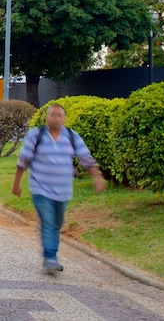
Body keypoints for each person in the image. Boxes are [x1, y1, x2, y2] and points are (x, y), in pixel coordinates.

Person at [12, 104, 106, 274]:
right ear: (47, 117)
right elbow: (23, 160)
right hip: (41, 188)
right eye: (53, 115)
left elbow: (85, 158)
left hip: (63, 191)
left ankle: (51, 255)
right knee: (47, 222)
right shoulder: (37, 135)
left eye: (59, 115)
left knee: (57, 224)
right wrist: (16, 184)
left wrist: (97, 177)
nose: (56, 118)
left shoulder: (71, 136)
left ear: (64, 118)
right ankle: (50, 257)